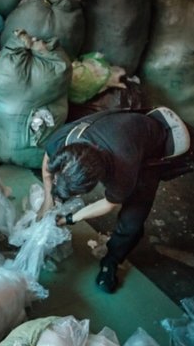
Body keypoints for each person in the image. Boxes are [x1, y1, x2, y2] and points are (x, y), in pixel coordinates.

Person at [40, 110, 182, 293]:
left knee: (132, 220)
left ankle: (112, 261)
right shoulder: (61, 140)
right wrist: (48, 200)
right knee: (59, 189)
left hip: (151, 150)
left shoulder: (122, 171)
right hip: (120, 129)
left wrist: (70, 219)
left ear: (94, 183)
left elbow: (109, 203)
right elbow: (47, 165)